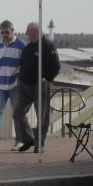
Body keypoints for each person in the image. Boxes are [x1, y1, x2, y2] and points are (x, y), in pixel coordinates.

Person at [14, 22, 61, 152]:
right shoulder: (28, 47)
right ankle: (29, 139)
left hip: (40, 85)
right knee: (18, 114)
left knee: (42, 116)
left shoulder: (47, 45)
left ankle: (39, 144)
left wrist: (47, 78)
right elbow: (23, 63)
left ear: (35, 31)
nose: (25, 33)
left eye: (27, 31)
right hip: (24, 85)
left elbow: (56, 66)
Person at [0, 20, 27, 151]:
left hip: (15, 84)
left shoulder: (21, 45)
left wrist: (20, 79)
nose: (4, 35)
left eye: (6, 32)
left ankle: (20, 140)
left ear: (13, 31)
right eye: (2, 32)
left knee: (17, 113)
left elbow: (25, 64)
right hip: (0, 85)